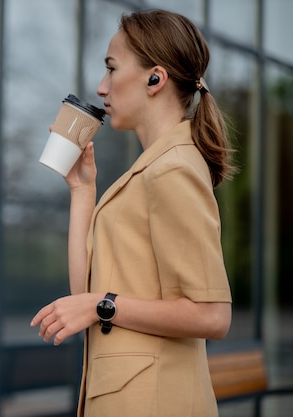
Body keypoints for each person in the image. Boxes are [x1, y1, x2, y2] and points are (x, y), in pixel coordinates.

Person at [30, 9, 236, 417]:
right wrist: (82, 189)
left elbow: (213, 316)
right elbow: (85, 291)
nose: (101, 87)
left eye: (111, 69)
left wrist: (103, 306)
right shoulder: (153, 168)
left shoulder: (173, 169)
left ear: (155, 78)